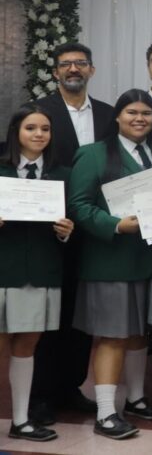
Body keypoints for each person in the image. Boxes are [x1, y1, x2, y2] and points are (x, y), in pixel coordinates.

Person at [67, 89, 152, 439]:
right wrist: (115, 225)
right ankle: (107, 412)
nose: (140, 118)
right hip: (109, 261)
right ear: (118, 117)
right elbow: (78, 206)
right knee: (111, 336)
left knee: (139, 333)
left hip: (147, 259)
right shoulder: (92, 154)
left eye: (147, 113)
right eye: (132, 112)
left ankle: (137, 399)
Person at [30, 42, 113, 424]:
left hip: (97, 226)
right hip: (51, 227)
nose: (74, 69)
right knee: (51, 314)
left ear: (91, 70)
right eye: (66, 64)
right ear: (56, 72)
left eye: (81, 63)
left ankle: (71, 387)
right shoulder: (38, 113)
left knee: (84, 312)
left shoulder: (111, 116)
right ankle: (42, 394)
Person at [0, 105, 74, 442]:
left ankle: (21, 420)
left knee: (28, 344)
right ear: (16, 131)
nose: (39, 134)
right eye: (31, 128)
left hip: (42, 270)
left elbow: (72, 225)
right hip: (4, 269)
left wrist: (65, 230)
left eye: (45, 129)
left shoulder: (62, 174)